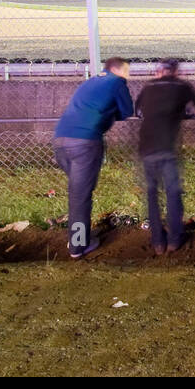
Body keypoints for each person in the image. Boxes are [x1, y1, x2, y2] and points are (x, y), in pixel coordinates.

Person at [53, 56, 134, 258]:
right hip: (84, 143)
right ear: (118, 70)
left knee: (77, 194)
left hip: (60, 142)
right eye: (127, 71)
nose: (128, 76)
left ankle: (79, 236)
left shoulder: (90, 82)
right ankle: (78, 245)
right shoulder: (117, 82)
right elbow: (126, 111)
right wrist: (111, 113)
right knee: (80, 197)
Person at [136, 59, 195, 255]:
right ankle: (174, 240)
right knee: (173, 192)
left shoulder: (148, 86)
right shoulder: (182, 86)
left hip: (147, 146)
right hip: (167, 146)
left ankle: (158, 242)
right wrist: (182, 114)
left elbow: (138, 111)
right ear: (175, 72)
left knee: (152, 194)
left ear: (159, 72)